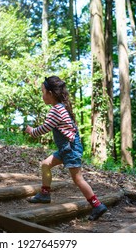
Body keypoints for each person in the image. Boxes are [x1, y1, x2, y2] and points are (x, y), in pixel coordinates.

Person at [25, 76, 107, 221]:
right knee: (45, 164)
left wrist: (32, 131)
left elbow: (44, 129)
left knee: (78, 179)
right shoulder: (60, 108)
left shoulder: (56, 111)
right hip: (66, 148)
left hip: (70, 149)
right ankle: (45, 194)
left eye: (43, 92)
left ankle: (97, 205)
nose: (42, 95)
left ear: (50, 93)